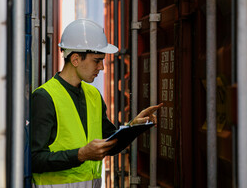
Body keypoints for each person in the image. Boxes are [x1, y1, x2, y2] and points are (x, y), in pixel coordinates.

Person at [31, 18, 162, 188]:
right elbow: (34, 160)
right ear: (76, 59)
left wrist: (133, 127)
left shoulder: (93, 95)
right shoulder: (44, 98)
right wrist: (80, 155)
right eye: (97, 60)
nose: (102, 67)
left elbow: (109, 144)